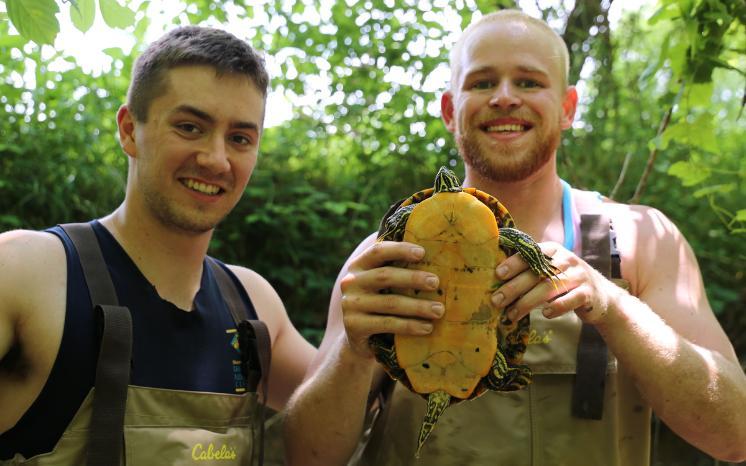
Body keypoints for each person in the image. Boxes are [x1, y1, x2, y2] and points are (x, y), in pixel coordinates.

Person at [283, 9, 746, 466]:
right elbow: (305, 455)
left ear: (567, 109)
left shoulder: (639, 241)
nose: (505, 98)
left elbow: (735, 436)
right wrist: (352, 351)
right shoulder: (390, 255)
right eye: (482, 83)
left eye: (528, 82)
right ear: (450, 110)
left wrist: (612, 305)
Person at [0, 26, 315, 464]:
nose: (216, 159)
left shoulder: (253, 305)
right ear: (130, 130)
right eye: (190, 127)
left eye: (240, 138)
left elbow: (349, 412)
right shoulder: (23, 270)